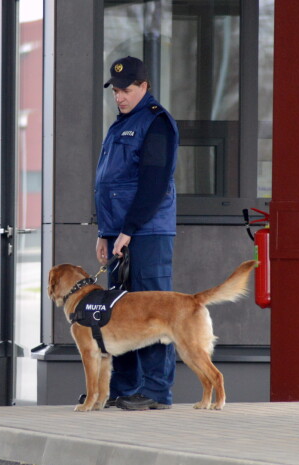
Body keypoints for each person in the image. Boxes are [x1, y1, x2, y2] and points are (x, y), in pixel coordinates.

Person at [94, 56, 179, 411]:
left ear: (144, 87)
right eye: (116, 90)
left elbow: (154, 183)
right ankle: (125, 387)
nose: (120, 96)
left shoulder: (155, 122)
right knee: (121, 312)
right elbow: (111, 182)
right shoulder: (121, 124)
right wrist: (105, 231)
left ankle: (156, 391)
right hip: (120, 233)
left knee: (155, 311)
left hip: (147, 232)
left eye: (127, 89)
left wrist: (128, 229)